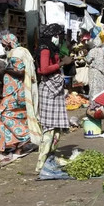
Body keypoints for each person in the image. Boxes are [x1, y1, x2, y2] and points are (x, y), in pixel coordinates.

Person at [34, 23, 73, 173]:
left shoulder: (52, 47)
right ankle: (41, 165)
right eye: (59, 35)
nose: (60, 38)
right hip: (48, 89)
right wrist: (62, 63)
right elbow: (43, 69)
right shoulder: (45, 48)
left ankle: (49, 160)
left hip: (55, 88)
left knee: (57, 129)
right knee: (49, 128)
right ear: (53, 35)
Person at [0, 34, 42, 154]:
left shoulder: (16, 54)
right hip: (19, 90)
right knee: (19, 115)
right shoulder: (21, 51)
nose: (2, 46)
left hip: (15, 91)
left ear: (8, 43)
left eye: (3, 44)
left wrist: (4, 70)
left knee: (2, 113)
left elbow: (20, 71)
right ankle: (18, 145)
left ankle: (25, 136)